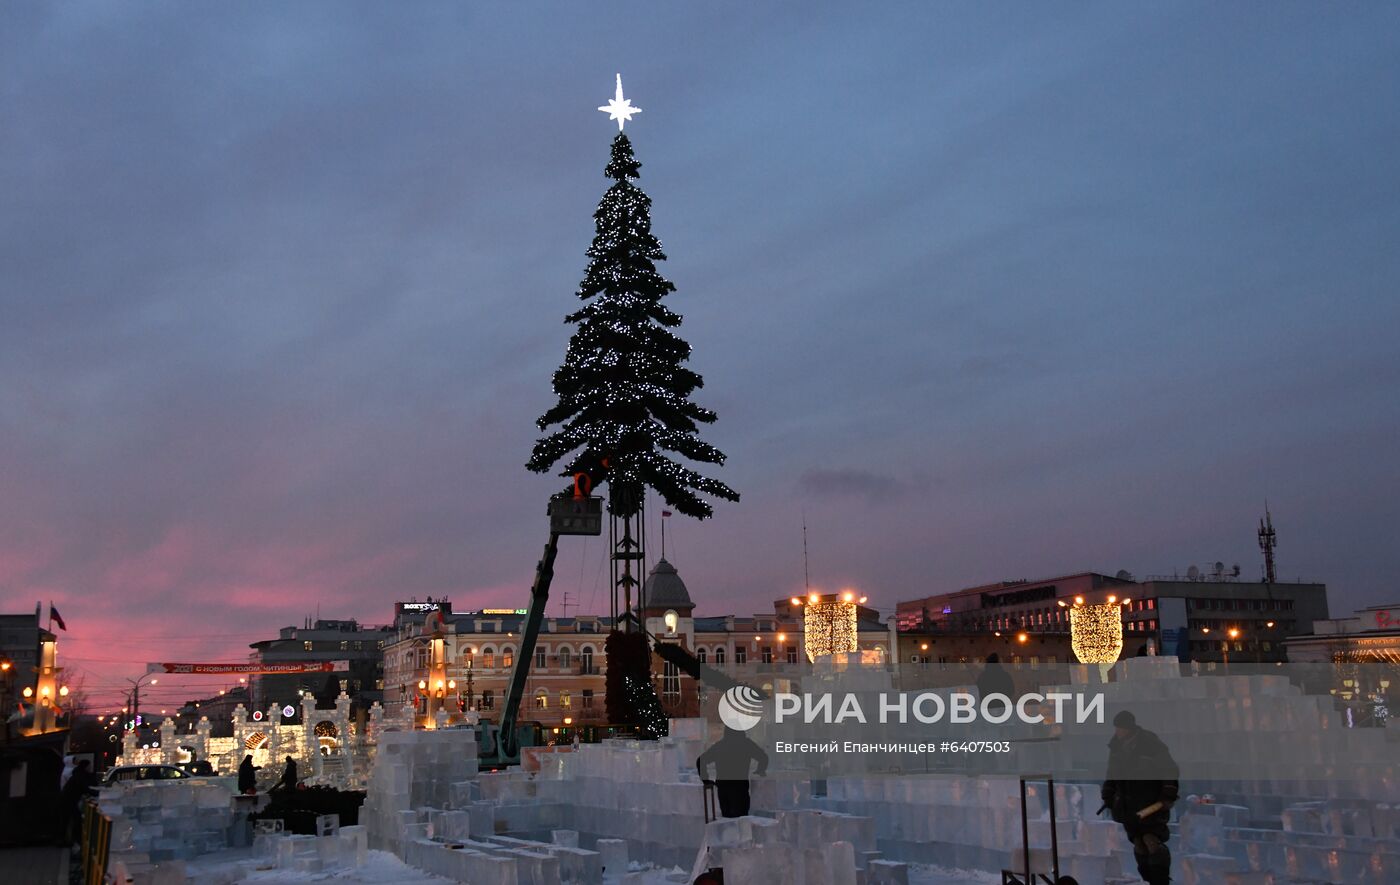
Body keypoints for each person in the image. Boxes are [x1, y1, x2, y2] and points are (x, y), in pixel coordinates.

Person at [1100, 711, 1179, 885]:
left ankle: (1160, 880)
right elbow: (1112, 774)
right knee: (1139, 843)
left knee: (1151, 841)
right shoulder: (1116, 747)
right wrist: (1108, 795)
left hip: (1150, 803)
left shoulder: (1150, 743)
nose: (1118, 732)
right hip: (1129, 806)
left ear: (1128, 728)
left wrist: (1167, 794)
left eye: (1120, 728)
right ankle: (1151, 879)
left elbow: (1169, 770)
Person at [696, 727, 768, 818]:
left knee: (727, 824)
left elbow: (701, 761)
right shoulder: (746, 744)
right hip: (740, 790)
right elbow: (763, 757)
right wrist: (760, 771)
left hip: (724, 790)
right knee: (741, 823)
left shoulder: (720, 746)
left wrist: (706, 780)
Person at [59, 759, 98, 843]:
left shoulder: (78, 774)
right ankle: (75, 840)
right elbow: (85, 788)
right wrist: (98, 793)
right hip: (69, 800)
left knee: (67, 819)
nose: (90, 767)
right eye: (89, 766)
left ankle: (66, 839)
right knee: (75, 819)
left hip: (68, 799)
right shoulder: (79, 776)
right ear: (85, 767)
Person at [976, 653, 1015, 717]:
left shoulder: (983, 676)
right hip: (1002, 707)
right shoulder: (1005, 675)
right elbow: (1011, 690)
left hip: (987, 707)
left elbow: (978, 691)